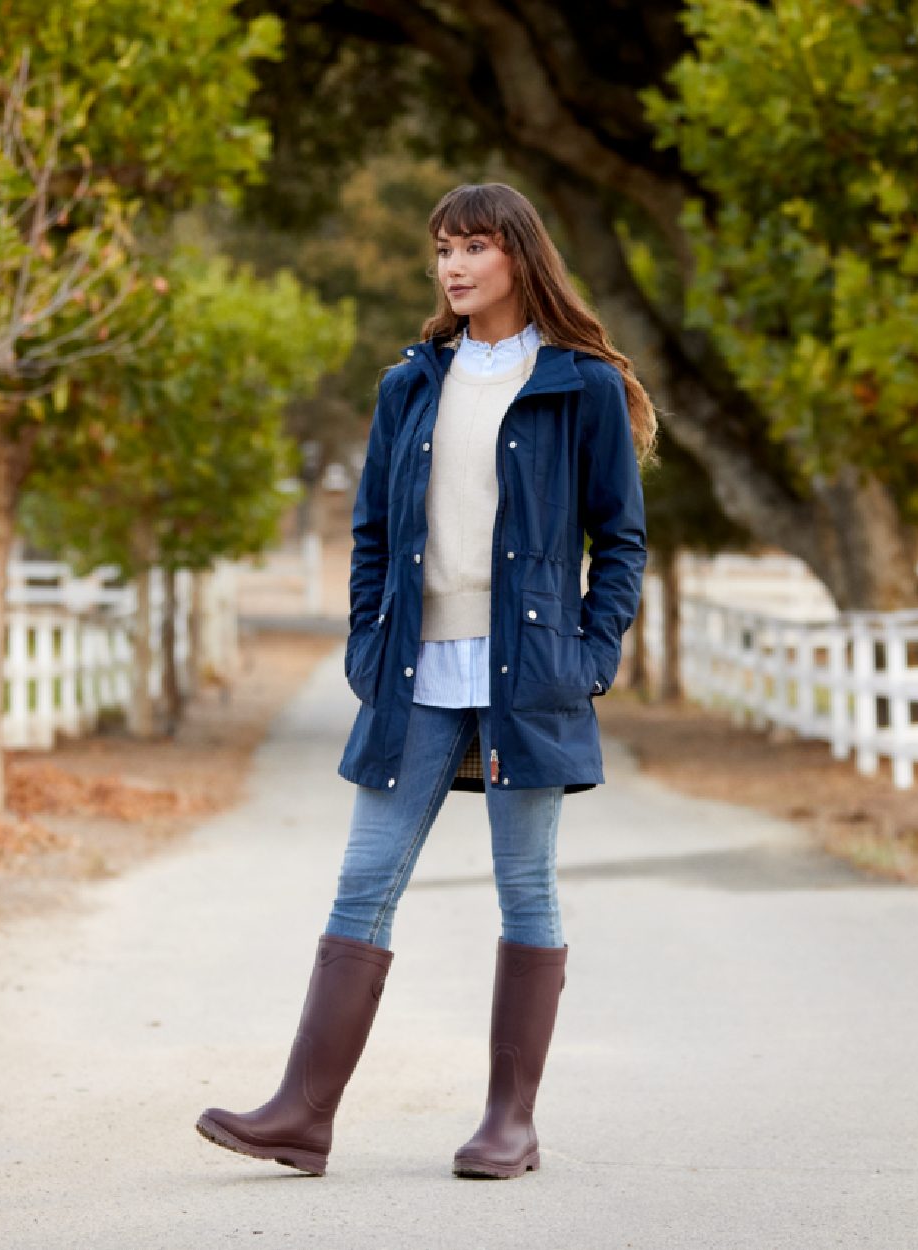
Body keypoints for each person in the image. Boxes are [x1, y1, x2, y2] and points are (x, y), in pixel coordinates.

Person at [197, 182, 654, 1179]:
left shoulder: (577, 384)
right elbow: (369, 530)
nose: (453, 265)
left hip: (527, 672)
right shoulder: (411, 382)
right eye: (442, 247)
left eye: (474, 247)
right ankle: (301, 1113)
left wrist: (587, 656)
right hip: (413, 671)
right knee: (365, 878)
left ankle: (510, 1122)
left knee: (523, 884)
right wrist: (365, 645)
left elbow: (618, 541)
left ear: (517, 258)